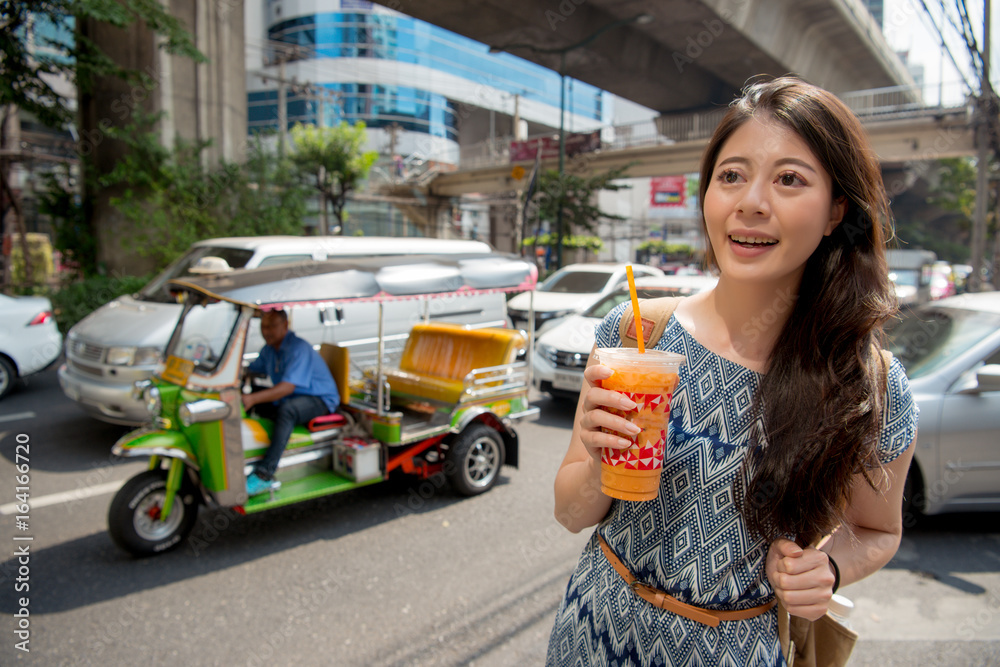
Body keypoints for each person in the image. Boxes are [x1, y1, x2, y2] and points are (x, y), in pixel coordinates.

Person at [546, 76, 918, 666]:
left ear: (835, 212)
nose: (751, 201)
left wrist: (828, 568)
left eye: (790, 179)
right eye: (732, 175)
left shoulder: (868, 384)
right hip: (593, 631)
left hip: (738, 648)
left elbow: (878, 531)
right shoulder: (637, 334)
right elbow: (570, 514)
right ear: (708, 195)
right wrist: (596, 459)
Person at [243, 310, 340, 496]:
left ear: (285, 326)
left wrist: (252, 398)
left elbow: (287, 387)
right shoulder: (269, 349)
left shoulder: (298, 349)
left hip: (320, 399)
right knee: (257, 398)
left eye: (272, 326)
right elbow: (253, 370)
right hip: (294, 397)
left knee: (285, 410)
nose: (267, 331)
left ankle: (265, 473)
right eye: (263, 326)